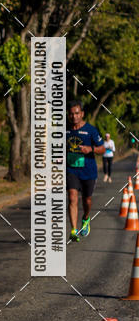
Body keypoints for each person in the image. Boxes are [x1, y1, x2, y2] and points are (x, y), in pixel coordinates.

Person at [66, 101, 105, 241]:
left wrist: (91, 149)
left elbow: (103, 149)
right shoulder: (64, 130)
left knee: (87, 200)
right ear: (68, 115)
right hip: (71, 169)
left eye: (77, 113)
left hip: (88, 171)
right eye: (71, 114)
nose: (74, 116)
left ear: (82, 114)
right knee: (72, 197)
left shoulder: (91, 130)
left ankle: (86, 218)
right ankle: (73, 230)